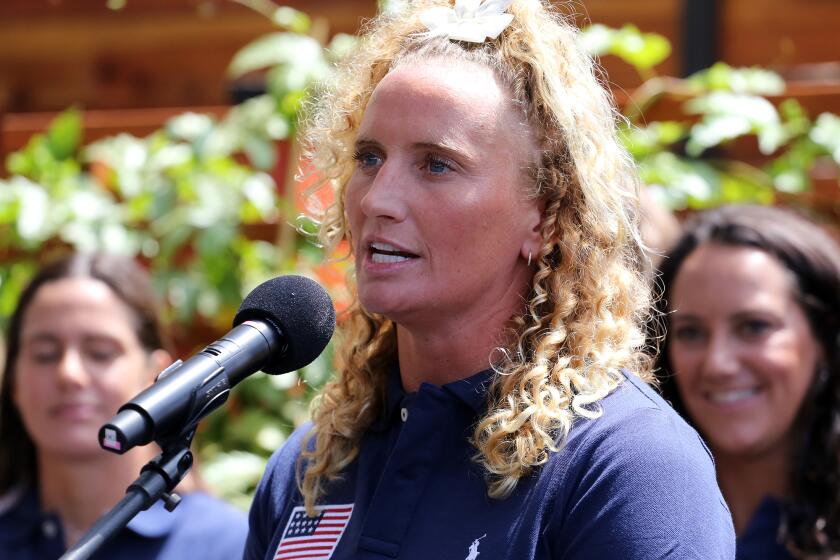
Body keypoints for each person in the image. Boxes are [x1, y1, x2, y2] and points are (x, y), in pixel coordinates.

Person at [245, 1, 735, 558]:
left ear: (545, 217)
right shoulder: (311, 466)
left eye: (436, 164)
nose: (378, 199)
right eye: (369, 157)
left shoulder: (627, 467)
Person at [0, 253, 248, 559]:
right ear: (13, 381)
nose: (69, 374)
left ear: (155, 377)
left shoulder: (231, 545)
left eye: (100, 353)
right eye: (45, 354)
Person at [654, 204, 840, 559]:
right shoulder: (627, 512)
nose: (718, 364)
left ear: (825, 337)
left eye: (754, 326)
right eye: (691, 332)